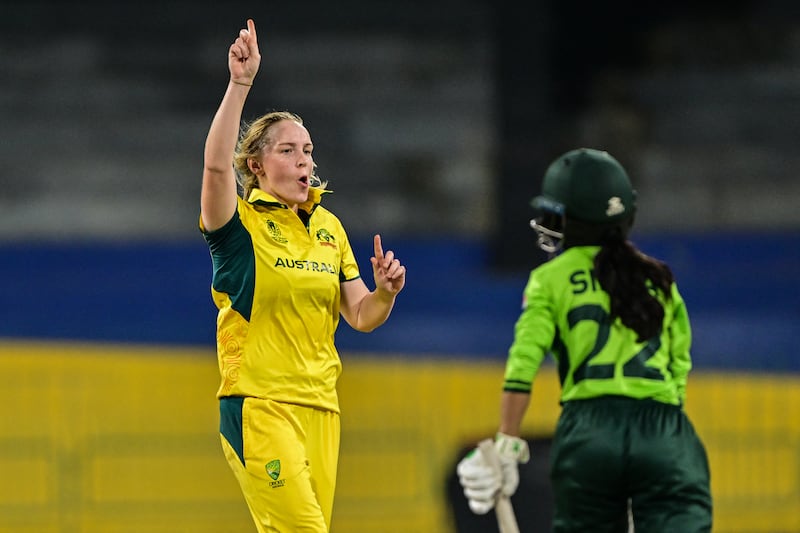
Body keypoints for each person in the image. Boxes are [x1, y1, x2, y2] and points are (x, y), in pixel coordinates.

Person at [199, 19, 406, 532]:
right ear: (257, 165)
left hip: (322, 408)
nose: (302, 161)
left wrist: (385, 292)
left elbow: (360, 316)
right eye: (287, 151)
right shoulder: (239, 226)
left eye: (308, 151)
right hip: (260, 407)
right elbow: (215, 169)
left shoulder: (329, 228)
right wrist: (239, 84)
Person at [456, 148, 712, 532]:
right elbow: (679, 364)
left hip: (591, 430)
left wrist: (508, 442)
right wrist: (662, 427)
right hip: (663, 427)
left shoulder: (552, 278)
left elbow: (522, 367)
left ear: (569, 218)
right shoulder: (659, 277)